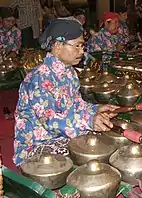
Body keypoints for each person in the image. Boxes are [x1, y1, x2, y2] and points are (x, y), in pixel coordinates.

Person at [13, 19, 119, 166]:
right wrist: (88, 120)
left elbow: (76, 104)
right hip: (38, 145)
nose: (82, 51)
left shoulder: (69, 72)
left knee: (108, 141)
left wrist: (96, 109)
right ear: (57, 46)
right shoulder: (38, 78)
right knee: (94, 155)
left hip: (63, 135)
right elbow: (49, 121)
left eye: (83, 45)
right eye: (77, 46)